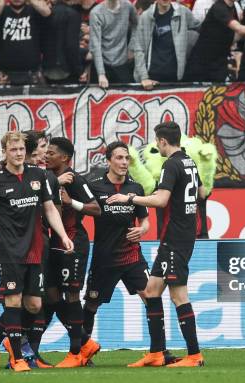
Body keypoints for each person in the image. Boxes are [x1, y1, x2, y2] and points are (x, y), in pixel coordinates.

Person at [0, 131, 74, 372]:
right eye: (13, 150)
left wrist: (63, 236)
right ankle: (17, 358)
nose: (18, 154)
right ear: (5, 152)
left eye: (20, 150)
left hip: (35, 249)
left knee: (35, 305)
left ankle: (1, 344)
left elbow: (49, 209)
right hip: (8, 250)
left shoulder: (38, 175)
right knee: (13, 301)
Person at [107, 121, 207, 367]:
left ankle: (194, 355)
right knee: (151, 291)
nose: (157, 146)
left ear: (163, 141)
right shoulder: (189, 161)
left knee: (178, 295)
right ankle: (156, 353)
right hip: (178, 236)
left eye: (157, 142)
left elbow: (161, 200)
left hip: (176, 238)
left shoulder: (171, 164)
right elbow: (202, 192)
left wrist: (129, 197)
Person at [83, 141, 175, 365]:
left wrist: (142, 229)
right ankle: (82, 352)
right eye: (119, 158)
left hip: (132, 255)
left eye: (127, 158)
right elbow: (80, 209)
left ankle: (159, 351)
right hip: (104, 258)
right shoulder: (94, 186)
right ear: (108, 161)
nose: (124, 162)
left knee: (150, 296)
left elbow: (145, 221)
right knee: (92, 304)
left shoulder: (135, 188)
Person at [44, 137, 101, 367]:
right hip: (53, 245)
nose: (46, 156)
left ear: (65, 158)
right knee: (52, 296)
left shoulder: (75, 180)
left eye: (51, 153)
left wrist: (72, 202)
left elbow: (96, 208)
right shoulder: (49, 179)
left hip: (73, 245)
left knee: (72, 296)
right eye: (45, 152)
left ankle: (76, 352)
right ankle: (85, 343)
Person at [131, 0, 201, 89]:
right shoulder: (146, 16)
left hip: (176, 77)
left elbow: (202, 29)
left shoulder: (183, 12)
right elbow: (139, 48)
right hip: (152, 77)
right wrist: (144, 77)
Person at [0, 0, 51, 85]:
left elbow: (47, 12)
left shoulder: (34, 10)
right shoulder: (1, 10)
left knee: (35, 98)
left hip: (32, 72)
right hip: (5, 74)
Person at [89, 0, 138, 88]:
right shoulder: (96, 12)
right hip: (102, 63)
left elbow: (137, 24)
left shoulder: (127, 6)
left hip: (123, 63)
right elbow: (95, 44)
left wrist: (132, 47)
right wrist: (101, 73)